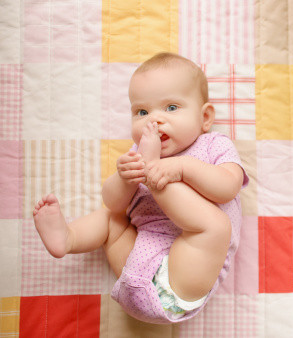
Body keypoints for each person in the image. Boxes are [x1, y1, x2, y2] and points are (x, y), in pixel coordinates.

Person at [32, 52, 249, 323]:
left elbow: (229, 186)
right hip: (135, 268)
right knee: (111, 219)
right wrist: (124, 178)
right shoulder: (138, 154)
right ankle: (69, 238)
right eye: (142, 112)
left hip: (182, 278)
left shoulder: (213, 145)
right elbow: (113, 203)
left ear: (205, 117)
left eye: (171, 108)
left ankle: (155, 178)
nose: (153, 121)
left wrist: (182, 169)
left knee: (215, 227)